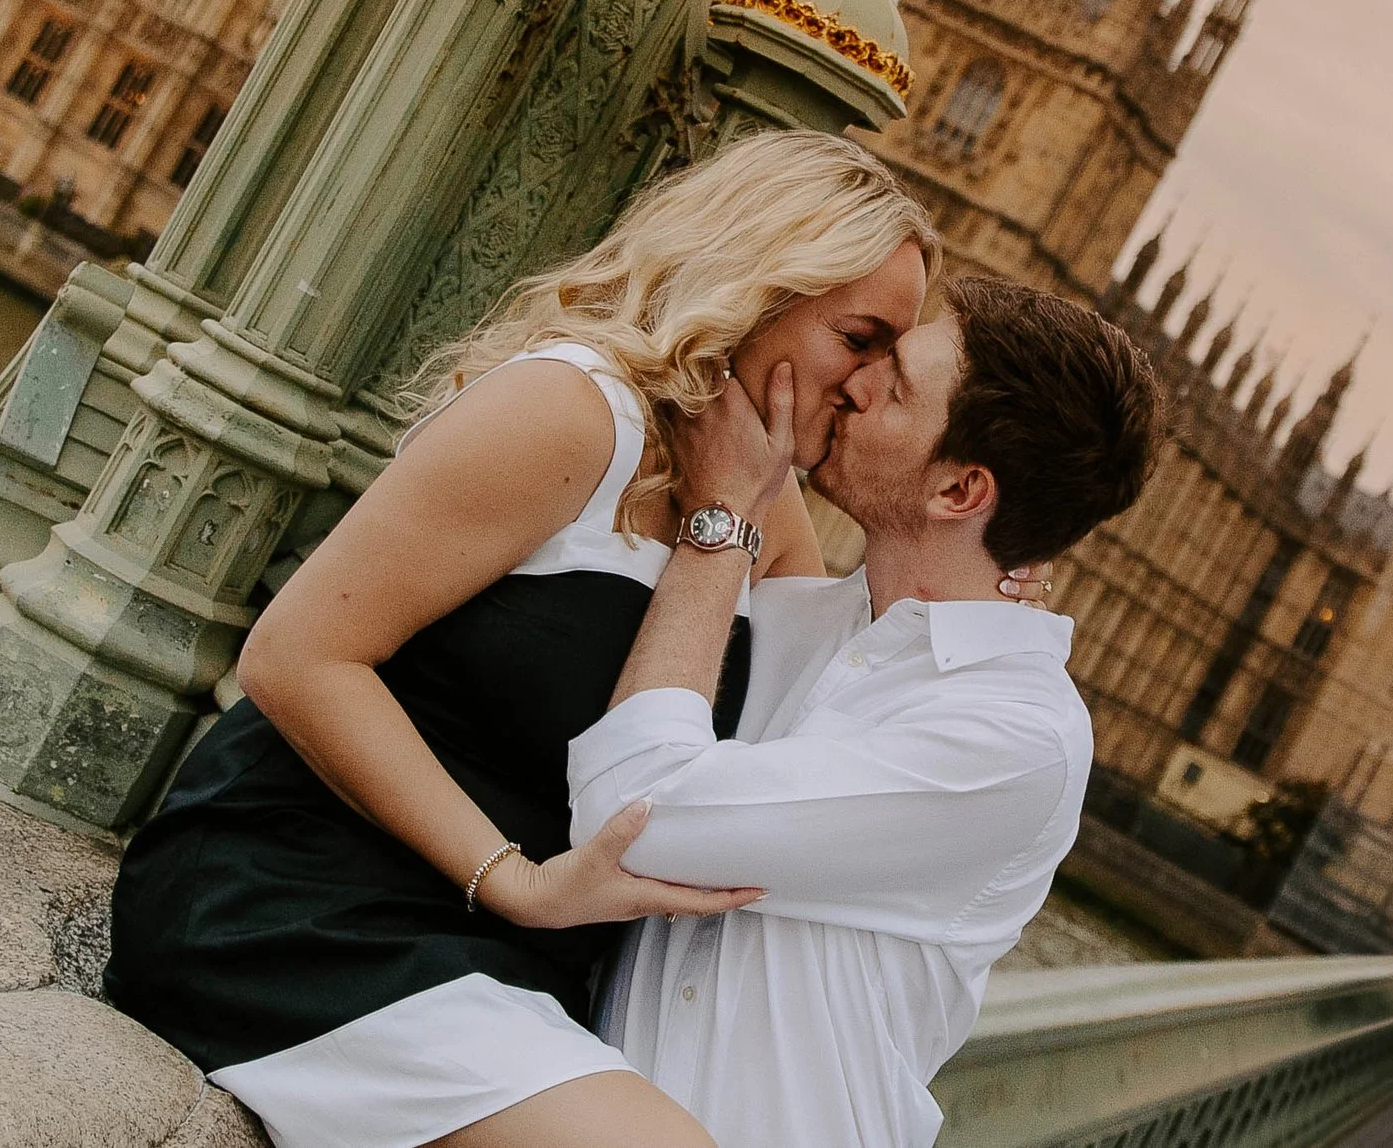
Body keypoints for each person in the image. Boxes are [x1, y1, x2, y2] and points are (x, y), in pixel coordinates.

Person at [104, 129, 940, 1148]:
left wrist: (960, 543)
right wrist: (513, 881)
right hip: (311, 906)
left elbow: (824, 727)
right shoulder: (572, 411)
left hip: (527, 962)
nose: (869, 384)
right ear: (763, 287)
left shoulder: (761, 494)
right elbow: (296, 655)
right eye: (861, 338)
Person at [564, 274, 1163, 1148]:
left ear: (960, 492)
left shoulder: (1015, 737)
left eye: (897, 384)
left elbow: (630, 816)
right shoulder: (809, 619)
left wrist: (725, 514)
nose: (856, 381)